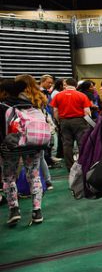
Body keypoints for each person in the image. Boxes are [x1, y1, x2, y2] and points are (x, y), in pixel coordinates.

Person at [0, 79, 45, 225]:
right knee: (34, 176)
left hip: (10, 147)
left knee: (8, 178)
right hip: (32, 144)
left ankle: (14, 210)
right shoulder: (30, 105)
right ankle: (37, 211)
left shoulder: (2, 107)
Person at [16, 74, 53, 191]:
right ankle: (47, 181)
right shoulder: (39, 96)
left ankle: (26, 186)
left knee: (23, 161)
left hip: (25, 131)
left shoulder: (19, 97)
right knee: (40, 158)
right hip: (40, 131)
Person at [50, 78, 91, 171]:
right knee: (82, 143)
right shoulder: (82, 95)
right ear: (76, 85)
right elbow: (87, 111)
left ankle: (70, 167)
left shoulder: (58, 95)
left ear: (66, 84)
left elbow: (55, 111)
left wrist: (59, 121)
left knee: (67, 144)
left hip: (64, 121)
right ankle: (83, 164)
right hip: (79, 121)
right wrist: (87, 122)